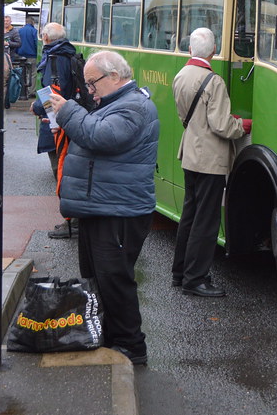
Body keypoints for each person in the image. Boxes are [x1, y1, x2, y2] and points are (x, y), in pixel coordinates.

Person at [48, 50, 158, 365]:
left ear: (114, 76)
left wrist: (68, 111)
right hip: (102, 207)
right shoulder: (114, 103)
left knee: (114, 280)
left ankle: (131, 347)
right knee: (96, 278)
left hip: (119, 211)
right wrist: (63, 113)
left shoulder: (135, 106)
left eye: (92, 83)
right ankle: (109, 337)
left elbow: (101, 137)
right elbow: (92, 133)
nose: (89, 90)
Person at [172, 27, 251, 297]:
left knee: (189, 216)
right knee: (206, 221)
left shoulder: (181, 75)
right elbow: (221, 126)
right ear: (214, 51)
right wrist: (243, 125)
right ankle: (195, 279)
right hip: (210, 158)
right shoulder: (213, 81)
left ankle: (179, 272)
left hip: (190, 155)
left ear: (190, 49)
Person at [31, 22, 79, 238]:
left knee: (61, 170)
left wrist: (38, 107)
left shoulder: (53, 58)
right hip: (66, 118)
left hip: (57, 121)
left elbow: (52, 93)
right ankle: (73, 220)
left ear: (46, 38)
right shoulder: (68, 54)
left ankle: (71, 221)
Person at [16, 15, 39, 92]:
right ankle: (31, 91)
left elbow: (17, 42)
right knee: (33, 73)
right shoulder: (34, 31)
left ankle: (23, 90)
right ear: (32, 22)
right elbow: (36, 43)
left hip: (21, 55)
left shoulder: (19, 31)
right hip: (32, 55)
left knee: (23, 73)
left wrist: (17, 52)